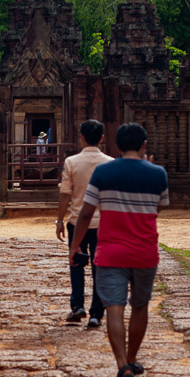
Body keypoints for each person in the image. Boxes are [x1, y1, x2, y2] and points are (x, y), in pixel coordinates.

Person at [69, 122, 169, 377]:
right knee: (140, 306)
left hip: (111, 249)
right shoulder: (159, 174)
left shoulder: (104, 171)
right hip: (145, 250)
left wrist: (75, 246)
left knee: (114, 307)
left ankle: (122, 364)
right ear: (144, 144)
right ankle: (133, 358)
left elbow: (87, 213)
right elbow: (157, 208)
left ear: (117, 145)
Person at [56, 119, 113, 328]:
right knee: (100, 268)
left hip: (76, 221)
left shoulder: (71, 162)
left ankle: (77, 306)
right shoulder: (110, 163)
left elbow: (65, 194)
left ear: (81, 138)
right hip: (103, 223)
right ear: (102, 138)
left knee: (76, 263)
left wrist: (59, 220)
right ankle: (96, 313)